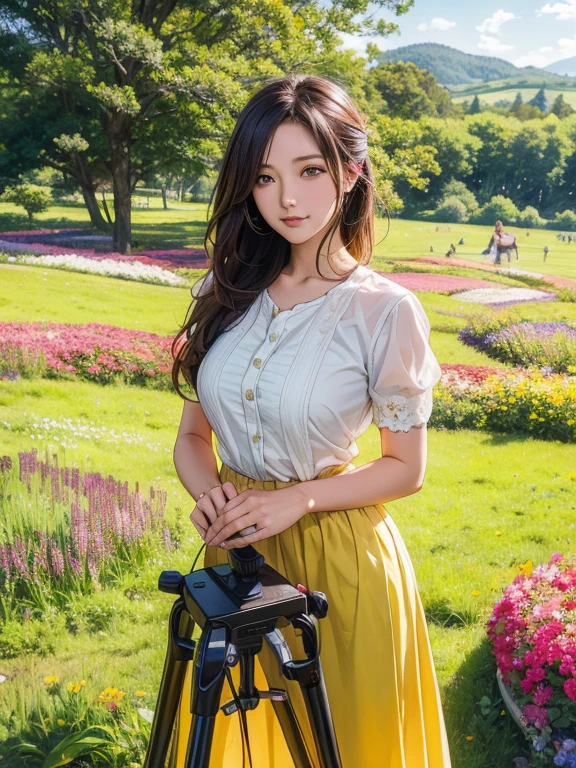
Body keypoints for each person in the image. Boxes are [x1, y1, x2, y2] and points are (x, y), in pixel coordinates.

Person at [171, 73, 451, 768]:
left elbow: (405, 470)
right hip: (234, 556)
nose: (287, 199)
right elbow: (190, 439)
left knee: (345, 746)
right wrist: (209, 496)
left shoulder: (385, 311)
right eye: (265, 177)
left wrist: (298, 498)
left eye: (310, 170)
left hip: (340, 565)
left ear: (351, 173)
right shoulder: (224, 287)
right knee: (241, 745)